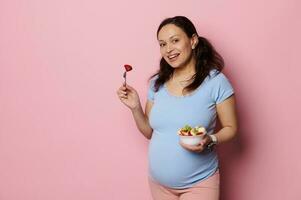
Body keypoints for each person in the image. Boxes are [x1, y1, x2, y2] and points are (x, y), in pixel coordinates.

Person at [117, 16, 237, 200]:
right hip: (158, 184)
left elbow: (231, 128)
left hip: (199, 184)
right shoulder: (157, 83)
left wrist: (210, 139)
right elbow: (149, 132)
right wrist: (135, 107)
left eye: (175, 41)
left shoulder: (216, 82)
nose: (168, 49)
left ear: (193, 40)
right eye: (162, 44)